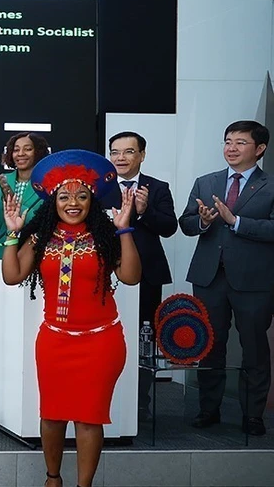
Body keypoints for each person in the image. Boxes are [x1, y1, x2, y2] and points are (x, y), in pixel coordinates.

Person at [1, 149, 140, 487]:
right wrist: (13, 233)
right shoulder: (42, 236)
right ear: (54, 201)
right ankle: (53, 479)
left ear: (92, 200)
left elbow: (132, 276)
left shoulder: (106, 235)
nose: (73, 202)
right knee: (51, 415)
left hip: (101, 341)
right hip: (54, 340)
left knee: (89, 418)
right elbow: (12, 275)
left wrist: (125, 230)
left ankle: (83, 485)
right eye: (64, 196)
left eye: (81, 195)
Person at [180, 120, 274, 437]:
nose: (231, 148)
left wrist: (236, 222)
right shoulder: (206, 182)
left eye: (240, 142)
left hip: (254, 281)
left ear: (260, 149)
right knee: (210, 345)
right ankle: (209, 409)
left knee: (254, 347)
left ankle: (253, 415)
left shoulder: (270, 186)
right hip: (209, 277)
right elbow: (187, 223)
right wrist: (204, 223)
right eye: (227, 141)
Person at [100, 131, 177, 421]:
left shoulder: (157, 188)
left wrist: (144, 213)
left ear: (141, 155)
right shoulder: (99, 188)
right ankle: (109, 398)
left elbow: (170, 227)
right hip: (105, 274)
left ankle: (139, 403)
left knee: (144, 337)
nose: (120, 158)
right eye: (115, 152)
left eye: (128, 152)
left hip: (146, 274)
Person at [0, 132, 51, 259]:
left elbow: (45, 224)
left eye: (28, 149)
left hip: (33, 254)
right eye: (16, 150)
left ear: (38, 152)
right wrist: (4, 199)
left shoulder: (48, 185)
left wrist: (13, 201)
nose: (21, 153)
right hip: (0, 256)